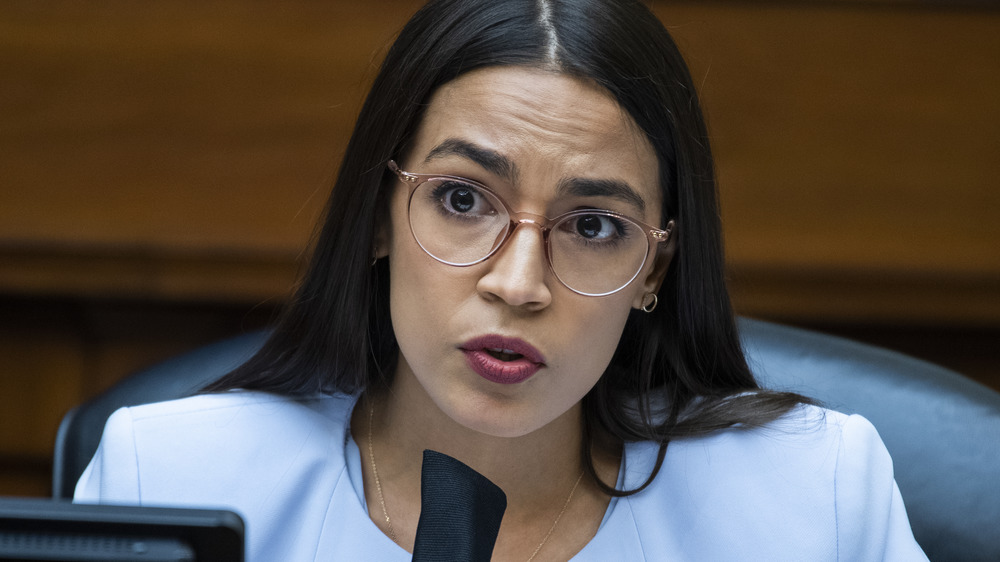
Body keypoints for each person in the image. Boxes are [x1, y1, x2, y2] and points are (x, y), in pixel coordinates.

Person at [75, 0, 928, 559]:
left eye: (592, 226)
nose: (519, 285)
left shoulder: (815, 502)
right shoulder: (173, 477)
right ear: (379, 216)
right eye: (460, 199)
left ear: (653, 268)